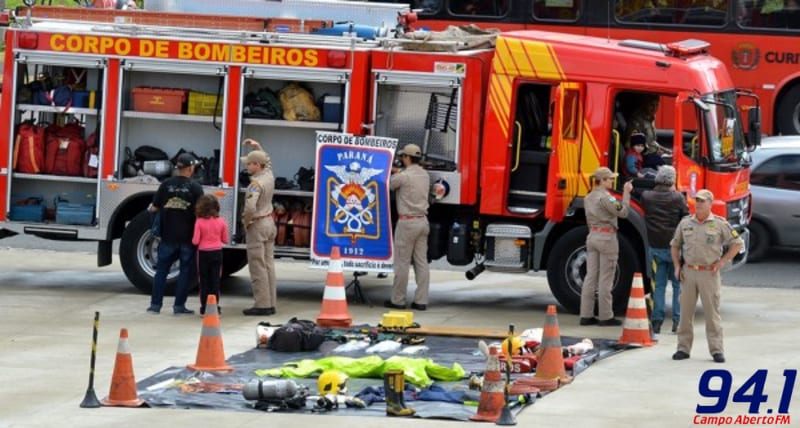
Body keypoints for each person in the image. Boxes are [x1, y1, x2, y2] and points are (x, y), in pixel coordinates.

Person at [670, 189, 743, 363]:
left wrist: (722, 262)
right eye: (697, 201)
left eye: (703, 201)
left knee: (712, 314)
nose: (699, 204)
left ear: (710, 203)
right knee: (685, 314)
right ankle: (683, 348)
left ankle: (717, 350)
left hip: (709, 273)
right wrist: (677, 266)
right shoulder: (686, 223)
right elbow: (675, 245)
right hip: (688, 272)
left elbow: (737, 243)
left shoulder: (719, 224)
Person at [147, 153, 204, 315]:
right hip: (187, 238)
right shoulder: (195, 187)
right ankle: (179, 307)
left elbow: (155, 208)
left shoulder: (166, 184)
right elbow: (201, 212)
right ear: (191, 168)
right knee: (185, 272)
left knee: (161, 271)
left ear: (178, 168)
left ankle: (155, 306)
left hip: (167, 237)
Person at [580, 166, 633, 326]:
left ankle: (586, 314)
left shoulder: (588, 197)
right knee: (606, 278)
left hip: (592, 236)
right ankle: (605, 316)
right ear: (602, 181)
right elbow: (623, 212)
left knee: (590, 277)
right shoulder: (606, 198)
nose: (612, 180)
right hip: (606, 238)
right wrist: (626, 193)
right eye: (610, 178)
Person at [641, 166, 689, 334]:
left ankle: (657, 322)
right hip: (675, 248)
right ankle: (677, 321)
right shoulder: (677, 197)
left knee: (658, 285)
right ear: (672, 180)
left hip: (655, 247)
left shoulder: (647, 196)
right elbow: (686, 217)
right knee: (678, 285)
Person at [384, 144, 431, 311]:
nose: (402, 159)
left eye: (403, 156)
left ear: (408, 158)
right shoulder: (425, 175)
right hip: (423, 222)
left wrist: (395, 172)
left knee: (402, 262)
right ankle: (421, 301)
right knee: (421, 262)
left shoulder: (403, 176)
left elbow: (388, 184)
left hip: (407, 223)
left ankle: (398, 300)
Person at [240, 139, 278, 316]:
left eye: (249, 164)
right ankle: (271, 302)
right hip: (270, 222)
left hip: (258, 224)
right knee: (269, 264)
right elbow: (268, 161)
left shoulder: (255, 184)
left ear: (257, 165)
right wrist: (258, 146)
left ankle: (262, 304)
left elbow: (250, 208)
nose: (246, 166)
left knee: (257, 266)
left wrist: (246, 222)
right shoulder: (268, 176)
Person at [192, 194, 229, 315]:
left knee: (204, 281)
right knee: (215, 280)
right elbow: (225, 240)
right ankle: (215, 306)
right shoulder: (222, 221)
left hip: (203, 253)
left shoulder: (199, 222)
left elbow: (195, 241)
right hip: (217, 252)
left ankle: (204, 307)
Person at [625, 94, 669, 169]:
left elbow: (652, 141)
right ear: (645, 104)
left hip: (654, 153)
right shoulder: (637, 121)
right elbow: (629, 144)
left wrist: (667, 150)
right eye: (651, 105)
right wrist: (643, 155)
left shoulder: (651, 117)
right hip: (644, 157)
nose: (654, 108)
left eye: (657, 105)